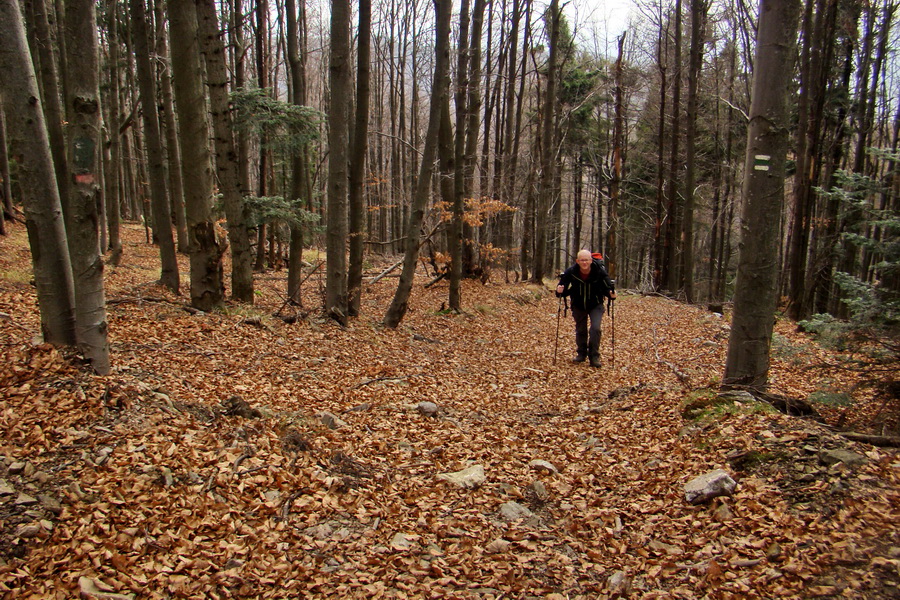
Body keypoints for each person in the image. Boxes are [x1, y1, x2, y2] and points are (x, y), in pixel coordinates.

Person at [556, 249, 616, 367]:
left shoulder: (599, 271)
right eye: (582, 260)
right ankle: (581, 354)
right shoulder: (571, 272)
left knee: (596, 329)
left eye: (587, 260)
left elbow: (608, 287)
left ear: (591, 260)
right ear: (577, 261)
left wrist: (611, 294)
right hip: (578, 305)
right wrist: (559, 292)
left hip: (596, 305)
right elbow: (561, 289)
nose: (584, 263)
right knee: (581, 330)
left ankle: (594, 356)